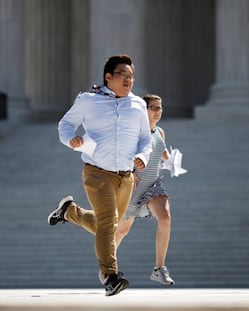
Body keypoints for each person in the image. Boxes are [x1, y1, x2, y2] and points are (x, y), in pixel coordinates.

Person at [48, 54, 152, 296]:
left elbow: (146, 139)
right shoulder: (88, 101)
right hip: (97, 172)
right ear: (108, 77)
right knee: (107, 223)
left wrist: (143, 157)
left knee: (108, 226)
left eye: (131, 76)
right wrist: (70, 140)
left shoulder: (137, 105)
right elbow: (65, 125)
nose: (129, 80)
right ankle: (110, 276)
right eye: (123, 75)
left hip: (125, 176)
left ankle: (69, 212)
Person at [115, 94, 175, 286]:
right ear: (143, 110)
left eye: (160, 107)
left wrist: (170, 159)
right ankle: (107, 267)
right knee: (123, 230)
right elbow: (121, 154)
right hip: (132, 188)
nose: (158, 112)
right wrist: (130, 173)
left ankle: (160, 268)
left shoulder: (160, 132)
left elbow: (161, 151)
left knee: (165, 217)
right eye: (153, 108)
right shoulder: (133, 134)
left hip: (153, 184)